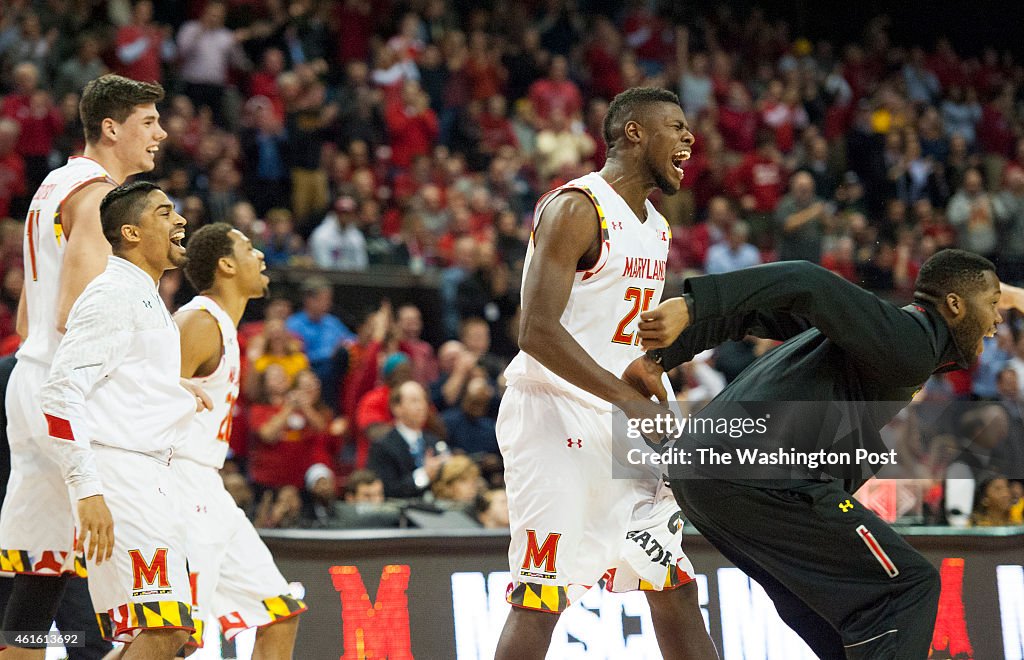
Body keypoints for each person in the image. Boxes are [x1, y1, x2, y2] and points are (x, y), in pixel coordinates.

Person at [632, 249, 1024, 658]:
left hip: (702, 475)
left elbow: (752, 313)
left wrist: (664, 355)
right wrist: (694, 306)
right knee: (909, 586)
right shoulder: (908, 342)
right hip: (752, 472)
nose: (999, 319)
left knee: (841, 629)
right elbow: (805, 278)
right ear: (956, 306)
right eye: (993, 305)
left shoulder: (874, 336)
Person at [494, 87, 717, 660]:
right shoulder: (576, 206)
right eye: (675, 125)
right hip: (552, 413)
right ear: (633, 132)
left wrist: (652, 386)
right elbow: (536, 331)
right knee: (540, 598)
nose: (689, 137)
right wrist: (627, 399)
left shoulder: (658, 228)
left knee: (674, 586)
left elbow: (622, 338)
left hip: (619, 420)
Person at [0, 74, 166, 658]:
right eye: (148, 122)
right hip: (70, 400)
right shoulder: (97, 196)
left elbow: (28, 317)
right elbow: (78, 311)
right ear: (112, 127)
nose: (160, 135)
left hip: (28, 384)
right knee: (163, 607)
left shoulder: (53, 185)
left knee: (40, 585)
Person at [39, 181, 207, 655]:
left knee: (175, 637)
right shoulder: (112, 293)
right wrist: (87, 489)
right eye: (164, 213)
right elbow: (61, 392)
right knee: (164, 630)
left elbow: (124, 378)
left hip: (153, 477)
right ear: (130, 232)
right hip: (120, 478)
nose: (179, 221)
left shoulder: (147, 295)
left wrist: (176, 391)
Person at [173, 222, 306, 653]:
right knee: (171, 638)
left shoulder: (227, 329)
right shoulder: (198, 322)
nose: (261, 256)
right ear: (226, 265)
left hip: (209, 488)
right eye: (250, 248)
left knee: (279, 614)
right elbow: (140, 404)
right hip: (179, 487)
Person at [367, 380, 446, 499]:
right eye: (414, 400)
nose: (422, 406)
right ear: (396, 408)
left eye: (424, 400)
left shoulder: (434, 441)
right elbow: (388, 489)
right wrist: (424, 475)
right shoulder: (383, 446)